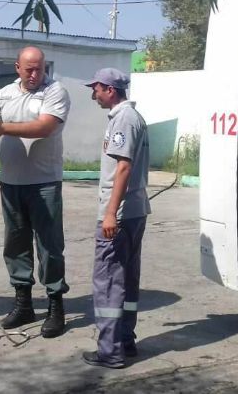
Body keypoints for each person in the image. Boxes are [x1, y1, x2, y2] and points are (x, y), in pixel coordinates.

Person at [0, 46, 72, 338]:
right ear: (17, 67)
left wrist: (2, 128)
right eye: (29, 69)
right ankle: (24, 305)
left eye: (39, 69)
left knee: (49, 246)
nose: (34, 74)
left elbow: (44, 127)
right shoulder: (5, 93)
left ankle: (56, 306)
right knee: (15, 245)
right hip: (11, 183)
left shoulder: (56, 92)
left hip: (44, 182)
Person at [81, 67, 150, 369]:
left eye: (96, 88)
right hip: (135, 212)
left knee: (108, 280)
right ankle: (125, 340)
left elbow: (123, 167)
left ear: (110, 90)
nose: (93, 93)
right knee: (128, 279)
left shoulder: (123, 119)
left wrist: (110, 213)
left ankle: (110, 351)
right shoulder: (134, 118)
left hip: (119, 215)